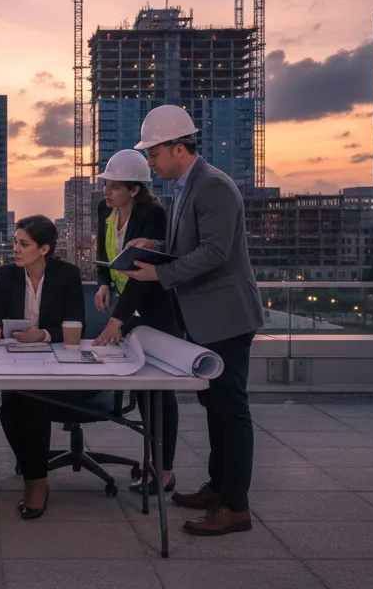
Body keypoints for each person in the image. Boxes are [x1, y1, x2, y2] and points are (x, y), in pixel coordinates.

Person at [121, 104, 264, 537]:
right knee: (215, 408)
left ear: (178, 148)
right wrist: (156, 244)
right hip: (205, 319)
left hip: (226, 317)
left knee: (230, 411)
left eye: (153, 153)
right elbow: (192, 244)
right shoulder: (186, 187)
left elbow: (215, 252)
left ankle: (235, 507)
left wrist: (160, 274)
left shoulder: (213, 186)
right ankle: (218, 488)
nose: (150, 162)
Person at [0, 215, 97, 520]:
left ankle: (37, 484)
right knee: (9, 408)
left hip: (59, 367)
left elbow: (77, 324)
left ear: (44, 249)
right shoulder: (6, 275)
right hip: (18, 363)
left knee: (31, 403)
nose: (15, 250)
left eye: (23, 244)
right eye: (15, 243)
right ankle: (33, 468)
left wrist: (43, 334)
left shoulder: (67, 275)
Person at [91, 149, 180, 496]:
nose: (107, 191)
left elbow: (144, 273)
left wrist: (116, 319)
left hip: (156, 309)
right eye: (106, 184)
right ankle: (153, 464)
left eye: (115, 187)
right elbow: (104, 253)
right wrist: (103, 282)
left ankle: (165, 470)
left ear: (135, 190)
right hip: (128, 308)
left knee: (158, 393)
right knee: (142, 392)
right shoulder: (105, 210)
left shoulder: (152, 214)